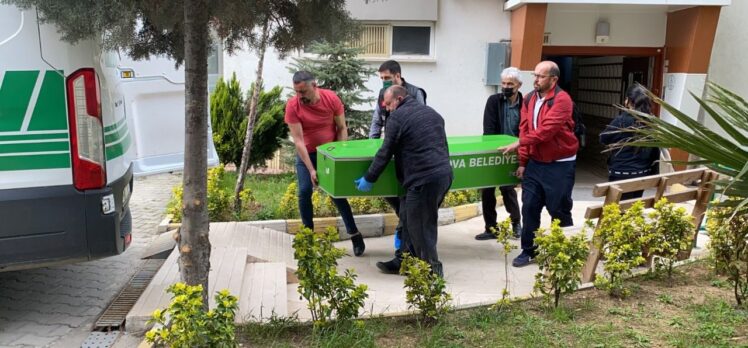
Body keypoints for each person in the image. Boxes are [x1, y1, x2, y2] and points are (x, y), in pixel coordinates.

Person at [355, 85, 453, 277]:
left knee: (421, 228)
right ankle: (403, 261)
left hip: (423, 180)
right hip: (442, 175)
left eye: (389, 104)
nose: (387, 108)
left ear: (399, 99)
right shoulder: (432, 113)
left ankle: (433, 271)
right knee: (408, 218)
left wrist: (369, 177)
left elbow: (385, 152)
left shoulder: (397, 118)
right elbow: (443, 145)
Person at [501, 61, 578, 267]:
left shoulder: (562, 100)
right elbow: (525, 129)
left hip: (560, 164)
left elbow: (547, 130)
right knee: (530, 207)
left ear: (553, 79)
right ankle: (529, 251)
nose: (535, 80)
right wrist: (523, 161)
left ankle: (563, 251)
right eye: (534, 75)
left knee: (559, 209)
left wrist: (520, 143)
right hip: (536, 162)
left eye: (540, 76)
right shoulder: (529, 98)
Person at [285, 71, 365, 256]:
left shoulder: (331, 99)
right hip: (307, 155)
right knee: (304, 191)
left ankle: (354, 234)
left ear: (315, 85)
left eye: (303, 91)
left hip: (329, 154)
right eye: (297, 91)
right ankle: (308, 236)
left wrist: (338, 155)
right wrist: (312, 169)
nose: (300, 96)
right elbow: (298, 140)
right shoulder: (293, 106)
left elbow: (342, 128)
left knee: (337, 194)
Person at [369, 60, 427, 274]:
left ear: (397, 76)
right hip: (392, 149)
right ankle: (406, 249)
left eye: (386, 78)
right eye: (381, 79)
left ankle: (404, 257)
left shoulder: (415, 93)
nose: (383, 82)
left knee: (407, 204)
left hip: (410, 156)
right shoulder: (382, 94)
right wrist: (372, 142)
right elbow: (377, 120)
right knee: (396, 199)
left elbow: (419, 121)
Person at [474, 67, 523, 241]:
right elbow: (488, 129)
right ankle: (490, 228)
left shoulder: (525, 104)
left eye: (510, 83)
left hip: (515, 152)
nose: (506, 86)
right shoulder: (494, 101)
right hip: (494, 150)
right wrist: (491, 150)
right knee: (487, 189)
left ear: (519, 85)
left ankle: (516, 224)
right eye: (503, 83)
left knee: (508, 189)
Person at [599, 84, 660, 200]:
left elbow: (603, 138)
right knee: (632, 208)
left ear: (629, 101)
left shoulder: (621, 120)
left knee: (617, 211)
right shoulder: (652, 122)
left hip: (621, 173)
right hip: (642, 174)